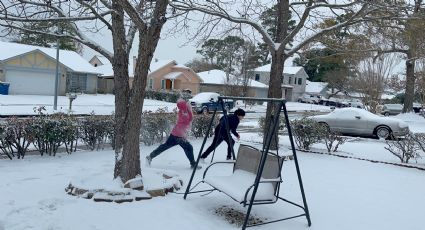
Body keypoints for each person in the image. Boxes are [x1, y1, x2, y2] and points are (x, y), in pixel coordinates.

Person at [146, 99, 201, 169]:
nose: (186, 105)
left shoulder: (184, 111)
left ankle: (150, 157)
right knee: (189, 147)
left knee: (165, 146)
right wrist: (189, 110)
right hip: (179, 135)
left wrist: (188, 107)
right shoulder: (182, 113)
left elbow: (189, 116)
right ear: (183, 106)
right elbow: (189, 119)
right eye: (185, 104)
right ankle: (193, 164)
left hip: (176, 133)